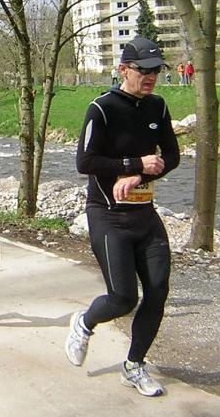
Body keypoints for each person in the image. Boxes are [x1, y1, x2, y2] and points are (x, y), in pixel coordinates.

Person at [67, 36, 180, 397]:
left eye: (156, 70)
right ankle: (84, 322)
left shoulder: (158, 107)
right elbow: (85, 163)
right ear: (123, 70)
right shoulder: (101, 108)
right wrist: (132, 164)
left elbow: (171, 157)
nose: (150, 77)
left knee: (158, 290)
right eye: (143, 70)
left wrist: (141, 176)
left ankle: (134, 365)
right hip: (108, 216)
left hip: (144, 215)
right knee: (123, 298)